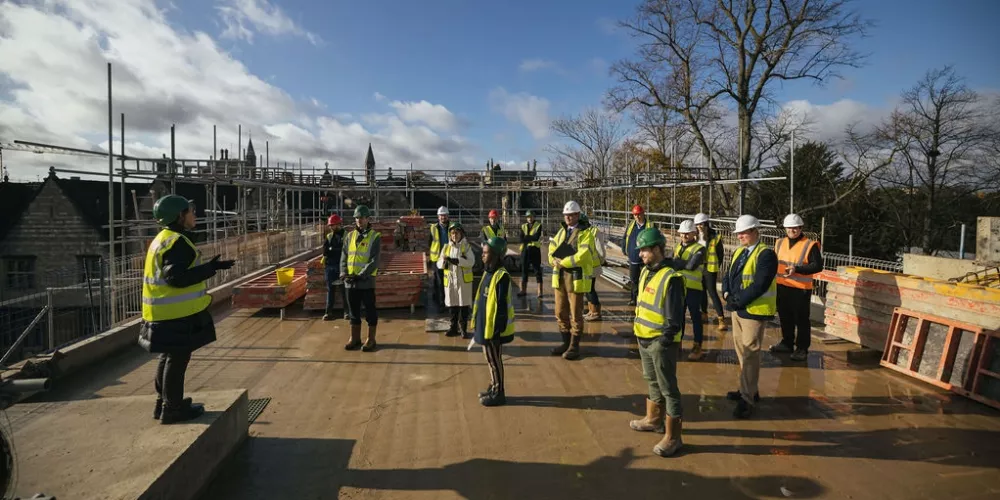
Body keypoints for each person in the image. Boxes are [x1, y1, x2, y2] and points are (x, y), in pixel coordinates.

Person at [139, 194, 235, 424]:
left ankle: (163, 404)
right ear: (180, 216)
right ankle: (173, 409)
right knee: (177, 359)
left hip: (159, 311)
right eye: (190, 211)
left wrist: (211, 267)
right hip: (175, 313)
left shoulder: (163, 238)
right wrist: (210, 269)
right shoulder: (177, 242)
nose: (194, 215)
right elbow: (176, 278)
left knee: (168, 357)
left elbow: (172, 272)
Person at [627, 227, 686, 457]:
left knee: (668, 388)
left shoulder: (672, 277)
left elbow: (675, 318)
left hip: (661, 342)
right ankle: (653, 419)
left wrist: (664, 340)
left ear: (658, 249)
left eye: (645, 250)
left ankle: (673, 437)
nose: (641, 254)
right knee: (650, 380)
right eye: (640, 250)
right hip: (643, 337)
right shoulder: (645, 272)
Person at [721, 215, 778, 419]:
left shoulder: (766, 255)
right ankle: (748, 388)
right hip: (738, 309)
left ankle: (747, 399)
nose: (740, 236)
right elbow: (727, 274)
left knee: (750, 353)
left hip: (754, 311)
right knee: (741, 351)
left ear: (756, 231)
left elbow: (760, 284)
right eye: (738, 233)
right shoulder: (739, 252)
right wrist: (726, 293)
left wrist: (738, 301)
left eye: (744, 232)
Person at [770, 213, 824, 361]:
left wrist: (797, 269)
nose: (791, 231)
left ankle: (802, 348)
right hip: (782, 286)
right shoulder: (779, 242)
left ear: (800, 228)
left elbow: (817, 266)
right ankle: (787, 343)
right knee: (785, 317)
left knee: (801, 320)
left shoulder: (809, 245)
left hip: (800, 289)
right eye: (789, 228)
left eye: (795, 228)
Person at [548, 201, 596, 360]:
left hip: (575, 278)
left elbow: (583, 254)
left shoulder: (585, 232)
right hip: (560, 277)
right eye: (566, 215)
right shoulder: (562, 232)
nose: (568, 217)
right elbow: (552, 248)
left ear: (577, 215)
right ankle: (565, 343)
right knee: (560, 312)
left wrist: (563, 262)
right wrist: (552, 260)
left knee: (575, 314)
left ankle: (574, 346)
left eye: (571, 214)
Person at [473, 236, 516, 407]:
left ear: (497, 255)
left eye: (486, 253)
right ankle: (493, 386)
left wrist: (497, 331)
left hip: (493, 330)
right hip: (485, 326)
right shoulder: (488, 273)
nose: (482, 256)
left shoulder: (501, 276)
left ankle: (499, 393)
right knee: (488, 359)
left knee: (494, 360)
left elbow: (501, 307)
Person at [341, 205, 381, 352]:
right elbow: (344, 256)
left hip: (366, 282)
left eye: (362, 218)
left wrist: (361, 275)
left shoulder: (374, 237)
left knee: (370, 310)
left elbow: (374, 260)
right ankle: (355, 338)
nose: (359, 220)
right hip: (350, 282)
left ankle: (371, 339)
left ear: (368, 219)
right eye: (357, 218)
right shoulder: (349, 236)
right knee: (353, 311)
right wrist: (343, 273)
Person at [673, 220, 706, 361]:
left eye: (687, 233)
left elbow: (692, 266)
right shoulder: (677, 247)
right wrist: (680, 264)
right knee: (678, 317)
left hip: (693, 289)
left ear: (694, 233)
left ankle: (697, 345)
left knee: (695, 318)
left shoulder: (699, 249)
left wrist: (679, 263)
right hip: (679, 287)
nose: (684, 236)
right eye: (682, 233)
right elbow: (673, 263)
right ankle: (677, 342)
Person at [438, 222, 475, 338]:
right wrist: (444, 261)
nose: (455, 236)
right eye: (453, 233)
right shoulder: (446, 247)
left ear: (461, 234)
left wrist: (458, 261)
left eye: (457, 233)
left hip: (463, 282)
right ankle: (453, 328)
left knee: (463, 307)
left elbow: (471, 262)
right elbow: (439, 264)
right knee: (452, 306)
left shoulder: (466, 247)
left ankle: (463, 329)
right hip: (450, 282)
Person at [695, 213, 728, 331]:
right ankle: (704, 313)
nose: (700, 226)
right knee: (702, 291)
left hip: (710, 268)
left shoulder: (715, 237)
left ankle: (721, 319)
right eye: (698, 224)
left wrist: (716, 265)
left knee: (712, 292)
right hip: (699, 268)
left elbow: (720, 254)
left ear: (706, 224)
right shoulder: (695, 236)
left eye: (702, 224)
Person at [622, 205, 648, 306]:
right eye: (635, 215)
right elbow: (625, 237)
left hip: (644, 260)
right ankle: (633, 299)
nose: (637, 217)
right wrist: (624, 249)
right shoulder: (631, 225)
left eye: (639, 214)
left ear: (643, 213)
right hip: (633, 259)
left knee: (644, 281)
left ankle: (643, 300)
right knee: (633, 281)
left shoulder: (649, 225)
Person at [581, 213, 606, 322]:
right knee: (587, 289)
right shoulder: (584, 232)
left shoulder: (595, 232)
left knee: (590, 289)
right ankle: (591, 311)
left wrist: (601, 261)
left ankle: (596, 312)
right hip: (585, 266)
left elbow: (600, 250)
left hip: (593, 265)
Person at [322, 214, 346, 321]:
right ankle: (328, 312)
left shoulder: (346, 236)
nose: (331, 227)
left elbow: (346, 251)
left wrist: (333, 250)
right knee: (330, 290)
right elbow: (325, 251)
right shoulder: (329, 236)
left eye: (333, 225)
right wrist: (333, 250)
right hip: (330, 267)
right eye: (330, 225)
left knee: (344, 290)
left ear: (339, 224)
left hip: (342, 266)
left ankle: (347, 312)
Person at [428, 206, 451, 310]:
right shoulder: (433, 228)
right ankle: (441, 303)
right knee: (439, 281)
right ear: (438, 217)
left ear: (448, 216)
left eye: (445, 215)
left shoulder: (452, 227)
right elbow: (429, 242)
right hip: (437, 259)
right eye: (441, 215)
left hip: (449, 258)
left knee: (449, 281)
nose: (443, 217)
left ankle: (448, 301)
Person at [517, 210, 544, 298]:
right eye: (528, 217)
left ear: (534, 217)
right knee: (524, 270)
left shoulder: (538, 225)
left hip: (534, 250)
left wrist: (526, 237)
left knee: (537, 270)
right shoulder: (523, 226)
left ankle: (540, 291)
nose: (529, 218)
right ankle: (523, 290)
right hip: (525, 250)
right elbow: (520, 239)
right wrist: (529, 238)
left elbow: (536, 237)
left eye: (531, 216)